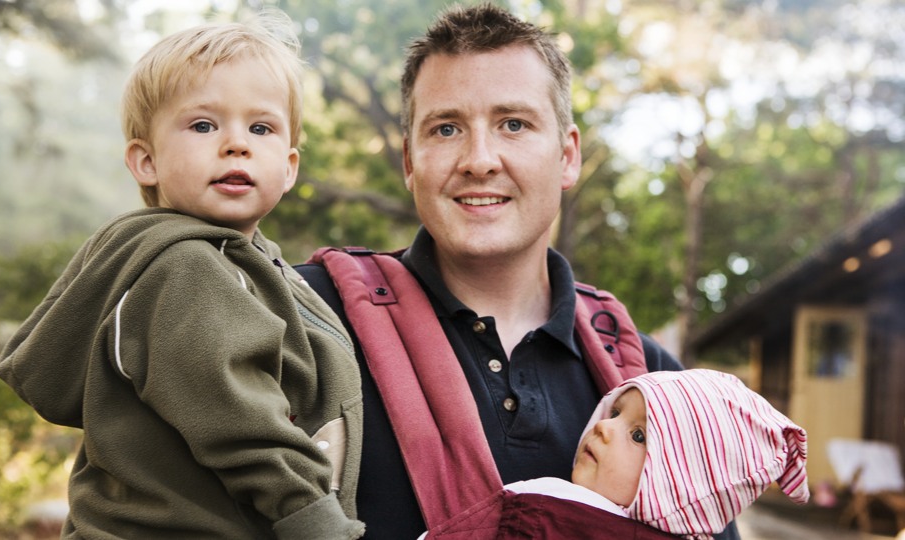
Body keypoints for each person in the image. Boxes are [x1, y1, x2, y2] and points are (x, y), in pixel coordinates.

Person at [296, 3, 738, 539]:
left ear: (567, 156)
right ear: (410, 162)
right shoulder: (303, 319)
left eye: (513, 124)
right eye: (446, 128)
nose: (479, 159)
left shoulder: (649, 383)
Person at [0, 11, 364, 540]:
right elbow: (242, 422)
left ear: (289, 167)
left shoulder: (245, 262)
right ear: (146, 161)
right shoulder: (183, 269)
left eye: (260, 127)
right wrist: (317, 523)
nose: (236, 143)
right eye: (203, 125)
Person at [490, 369, 809, 539]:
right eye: (614, 412)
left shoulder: (557, 516)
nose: (603, 426)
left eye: (638, 435)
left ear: (682, 484)